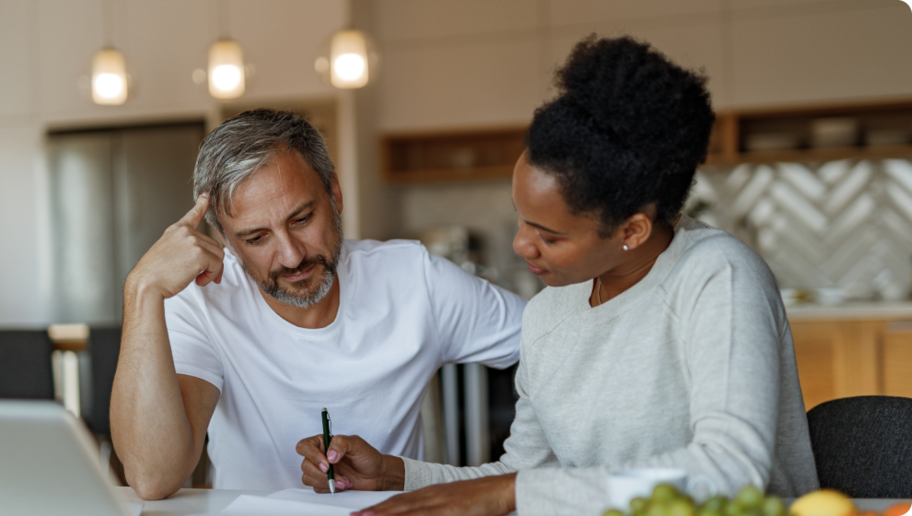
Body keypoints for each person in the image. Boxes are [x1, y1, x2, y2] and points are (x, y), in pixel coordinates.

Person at [296, 35, 820, 515]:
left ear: (631, 230)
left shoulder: (716, 277)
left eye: (550, 235)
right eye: (521, 219)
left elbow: (731, 471)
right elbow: (523, 476)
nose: (523, 244)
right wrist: (395, 473)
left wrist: (512, 491)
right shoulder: (550, 312)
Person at [110, 109, 527, 500]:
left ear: (335, 194)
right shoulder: (203, 300)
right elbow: (153, 476)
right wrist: (142, 288)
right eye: (257, 238)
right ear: (224, 241)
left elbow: (559, 338)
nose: (291, 256)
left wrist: (541, 454)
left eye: (302, 219)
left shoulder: (414, 280)